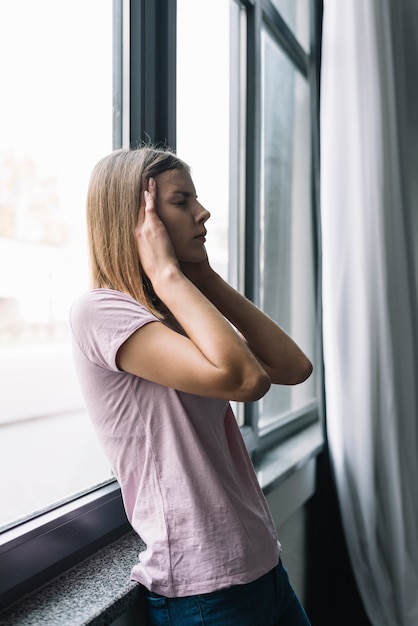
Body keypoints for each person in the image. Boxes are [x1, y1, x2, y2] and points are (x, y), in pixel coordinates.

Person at [70, 146, 313, 625]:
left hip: (261, 567)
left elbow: (292, 367)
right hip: (207, 590)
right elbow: (245, 380)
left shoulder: (174, 317)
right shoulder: (99, 312)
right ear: (138, 222)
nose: (203, 213)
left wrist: (200, 274)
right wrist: (165, 271)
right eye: (182, 202)